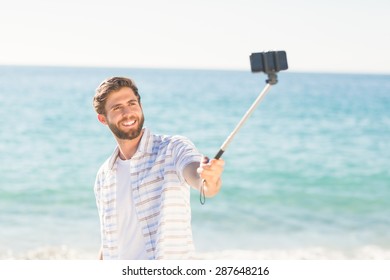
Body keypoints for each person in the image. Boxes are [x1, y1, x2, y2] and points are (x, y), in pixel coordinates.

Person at [93, 77, 225, 260]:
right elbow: (109, 240)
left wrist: (208, 177)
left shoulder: (172, 149)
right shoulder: (104, 176)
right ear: (103, 119)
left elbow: (200, 179)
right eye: (117, 108)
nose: (128, 112)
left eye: (132, 103)